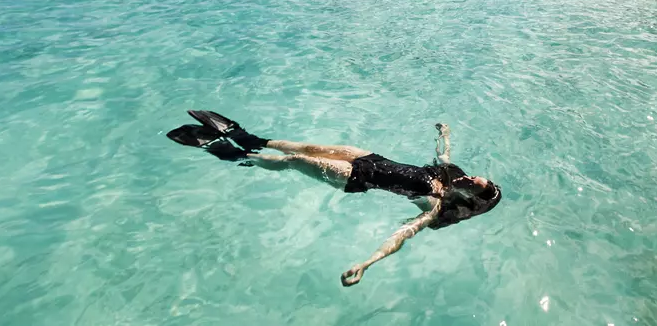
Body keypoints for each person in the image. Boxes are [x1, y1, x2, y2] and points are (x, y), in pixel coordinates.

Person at [167, 110, 502, 287]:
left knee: (297, 161)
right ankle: (247, 138)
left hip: (358, 178)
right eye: (477, 177)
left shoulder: (434, 207)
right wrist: (444, 134)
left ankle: (235, 155)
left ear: (472, 197)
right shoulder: (451, 174)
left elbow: (403, 235)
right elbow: (444, 155)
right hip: (372, 158)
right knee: (305, 147)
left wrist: (367, 263)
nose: (472, 177)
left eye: (476, 183)